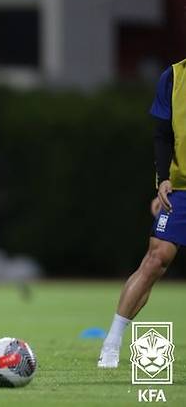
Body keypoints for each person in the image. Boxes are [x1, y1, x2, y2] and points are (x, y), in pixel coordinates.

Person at [98, 60, 184, 368]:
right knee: (155, 259)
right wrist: (163, 180)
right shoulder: (173, 77)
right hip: (182, 189)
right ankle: (112, 343)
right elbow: (162, 133)